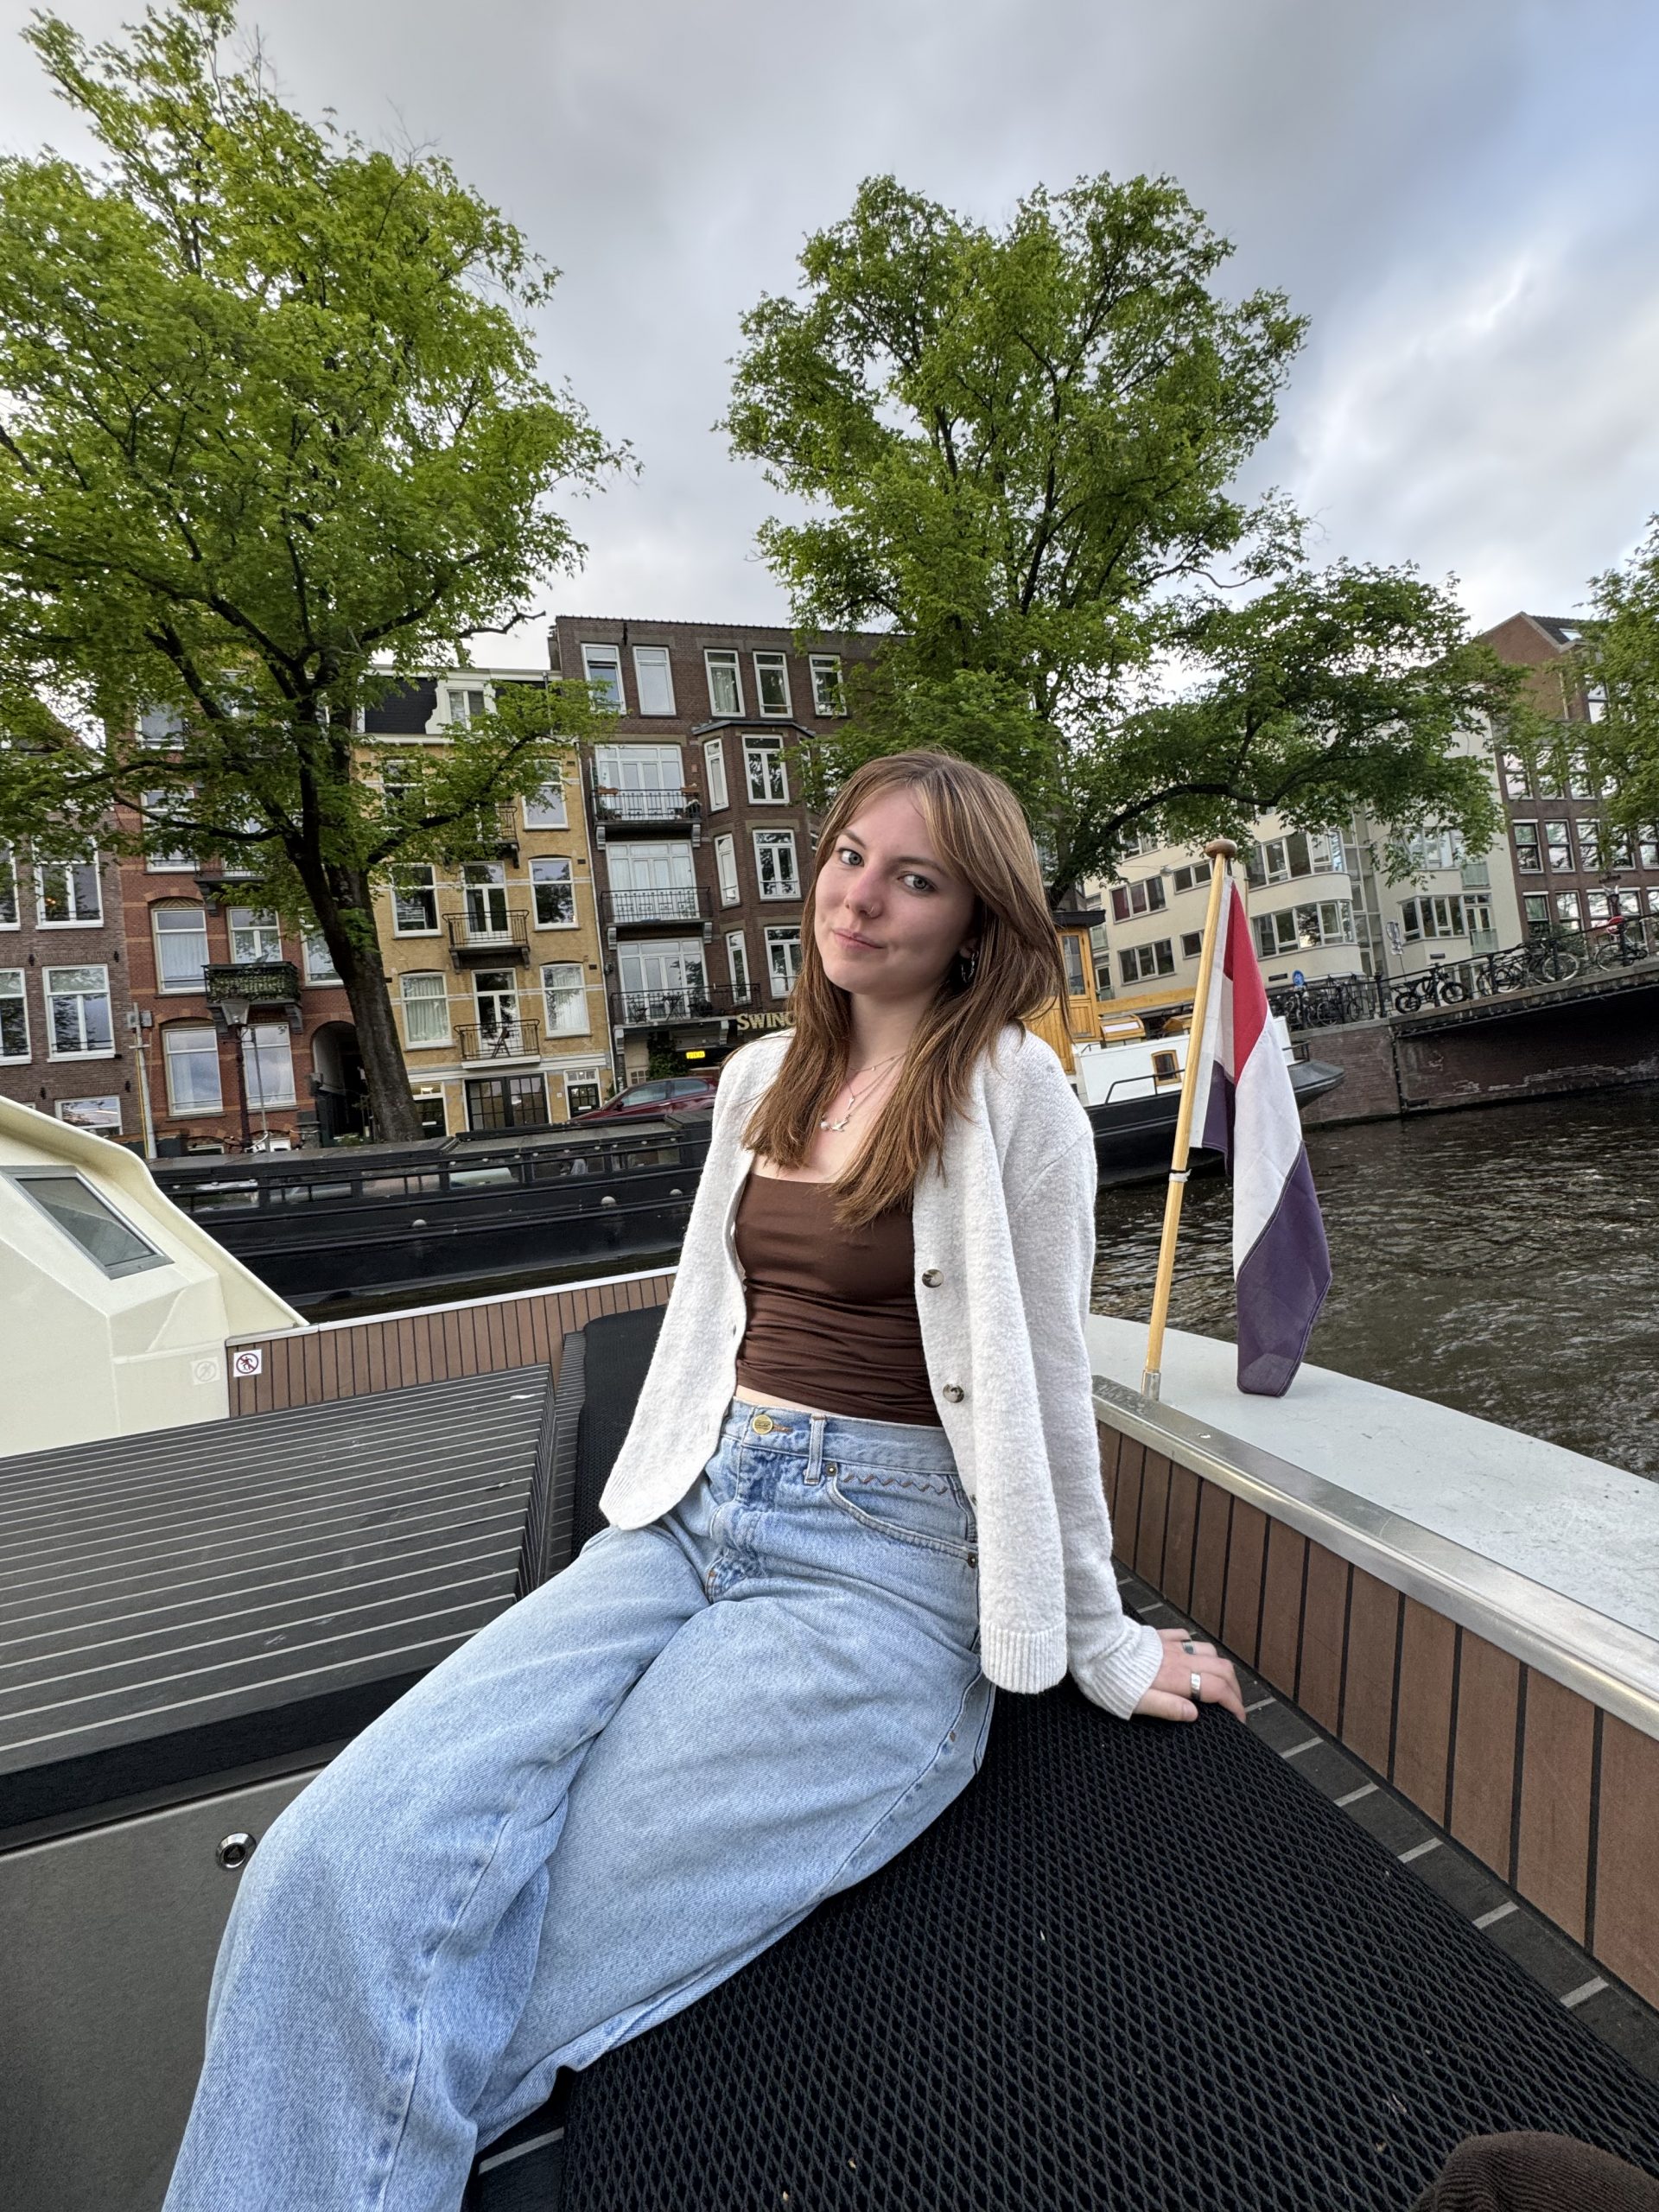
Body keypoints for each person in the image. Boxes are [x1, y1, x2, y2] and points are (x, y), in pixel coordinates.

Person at [162, 746, 1244, 2211]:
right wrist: (658, 1495)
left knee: (501, 1960)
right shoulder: (756, 1082)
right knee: (321, 1862)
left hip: (885, 1570)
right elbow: (705, 1325)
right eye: (850, 854)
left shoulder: (1013, 1095)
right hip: (692, 1520)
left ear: (976, 921)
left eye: (913, 877)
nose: (859, 899)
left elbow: (1047, 1386)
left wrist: (1100, 1639)